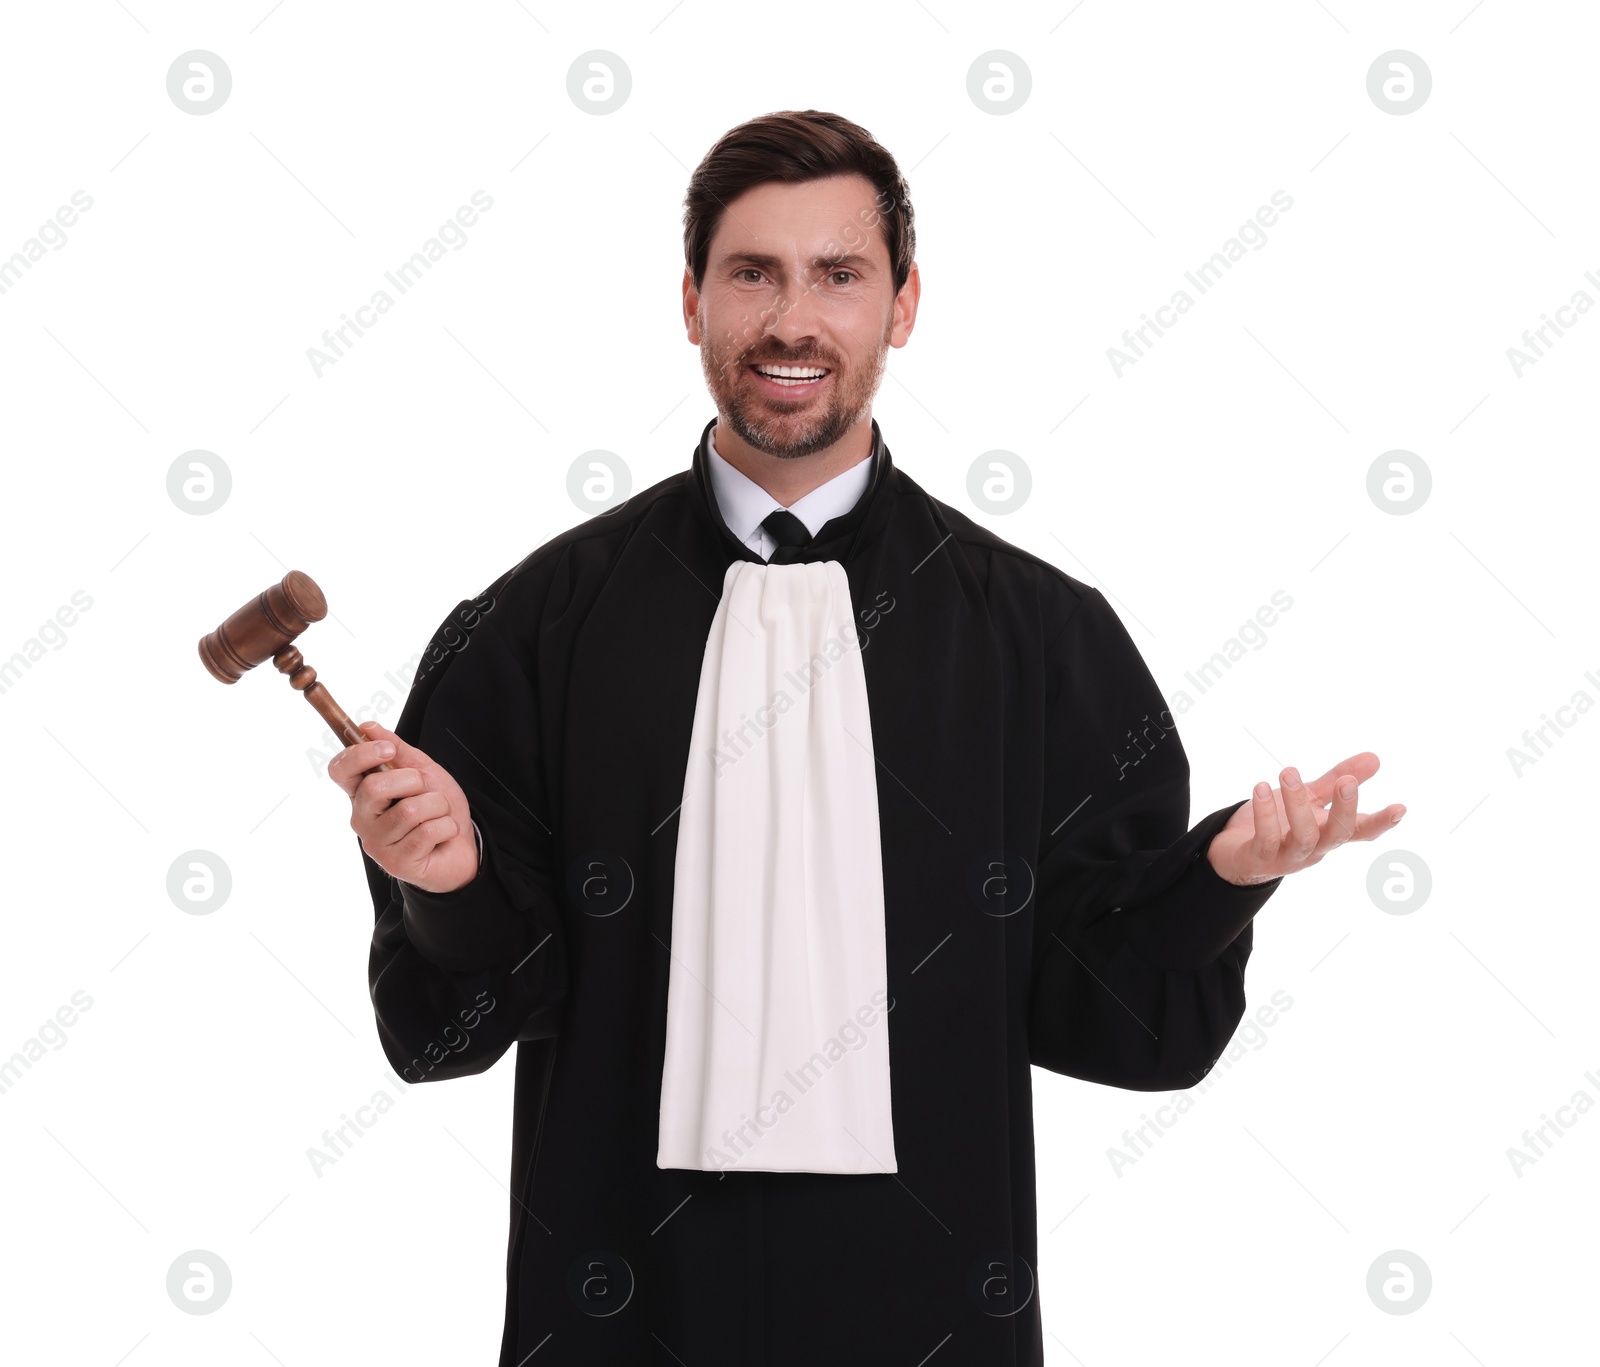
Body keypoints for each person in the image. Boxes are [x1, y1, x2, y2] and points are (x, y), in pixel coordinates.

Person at [327, 109, 1405, 1366]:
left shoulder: (1042, 636)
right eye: (752, 273)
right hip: (621, 1301)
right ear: (690, 301)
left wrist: (1216, 879)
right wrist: (446, 881)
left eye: (838, 275)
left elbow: (1088, 1006)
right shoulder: (533, 625)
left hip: (930, 1301)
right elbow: (456, 1024)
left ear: (900, 306)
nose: (792, 319)